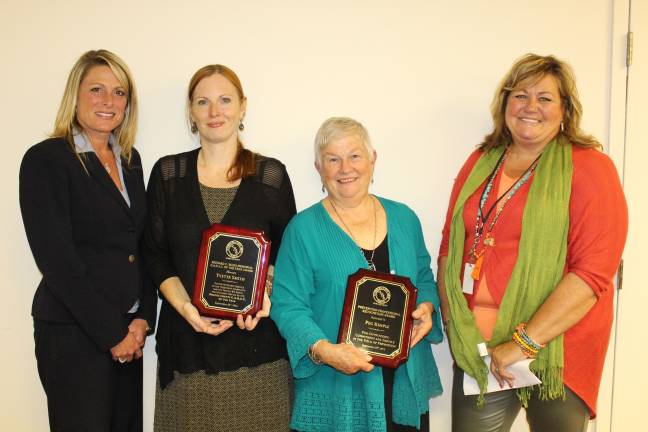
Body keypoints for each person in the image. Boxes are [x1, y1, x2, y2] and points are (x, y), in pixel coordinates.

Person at [437, 53, 628, 432]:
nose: (530, 107)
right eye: (520, 95)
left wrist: (523, 345)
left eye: (544, 98)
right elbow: (449, 249)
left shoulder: (590, 167)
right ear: (505, 102)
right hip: (481, 351)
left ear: (565, 110)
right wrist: (455, 322)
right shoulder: (480, 161)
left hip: (559, 349)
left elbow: (593, 273)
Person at [143, 64, 296, 431]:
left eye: (225, 100)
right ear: (191, 112)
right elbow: (154, 253)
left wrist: (263, 300)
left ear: (243, 107)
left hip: (257, 353)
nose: (215, 112)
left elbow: (286, 254)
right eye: (203, 102)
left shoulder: (270, 176)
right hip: (187, 353)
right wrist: (185, 309)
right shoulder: (168, 175)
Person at [270, 117, 443, 432]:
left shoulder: (404, 218)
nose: (344, 168)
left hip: (402, 384)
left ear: (373, 159)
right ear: (318, 168)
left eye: (354, 156)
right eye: (332, 159)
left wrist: (428, 308)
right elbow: (287, 305)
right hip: (337, 389)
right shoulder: (303, 230)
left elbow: (424, 277)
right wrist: (323, 350)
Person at [19, 49, 156, 431]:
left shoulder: (130, 160)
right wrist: (112, 333)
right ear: (75, 95)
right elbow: (56, 260)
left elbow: (139, 244)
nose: (108, 101)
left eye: (119, 92)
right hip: (75, 333)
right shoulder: (46, 160)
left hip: (130, 335)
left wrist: (143, 317)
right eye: (97, 89)